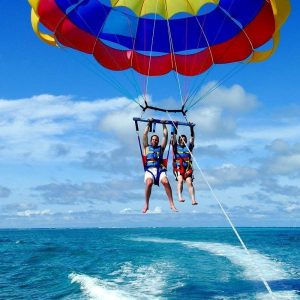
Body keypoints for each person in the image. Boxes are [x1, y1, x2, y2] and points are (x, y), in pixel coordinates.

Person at [142, 120, 178, 213]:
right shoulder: (146, 147)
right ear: (151, 141)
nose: (155, 140)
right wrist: (148, 123)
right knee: (149, 183)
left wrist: (163, 124)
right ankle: (146, 204)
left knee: (166, 182)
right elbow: (145, 134)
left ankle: (172, 204)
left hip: (160, 170)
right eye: (153, 139)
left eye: (156, 139)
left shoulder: (161, 148)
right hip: (149, 170)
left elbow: (165, 135)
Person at [172, 124, 198, 205]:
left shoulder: (189, 147)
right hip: (179, 168)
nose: (182, 141)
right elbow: (174, 137)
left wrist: (191, 128)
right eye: (181, 139)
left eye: (184, 139)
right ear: (179, 140)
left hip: (187, 168)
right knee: (180, 180)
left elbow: (192, 138)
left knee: (189, 182)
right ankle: (180, 197)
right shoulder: (175, 147)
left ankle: (193, 200)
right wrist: (175, 126)